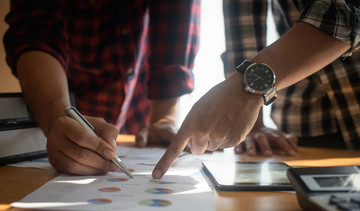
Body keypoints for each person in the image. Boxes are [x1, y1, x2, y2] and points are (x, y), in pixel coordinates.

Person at [152, 0, 360, 179]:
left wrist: (245, 92)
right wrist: (255, 124)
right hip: (304, 125)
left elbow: (345, 13)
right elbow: (244, 30)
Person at [4, 0, 200, 175]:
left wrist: (163, 119)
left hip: (138, 122)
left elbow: (174, 31)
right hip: (60, 104)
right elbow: (36, 32)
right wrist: (57, 118)